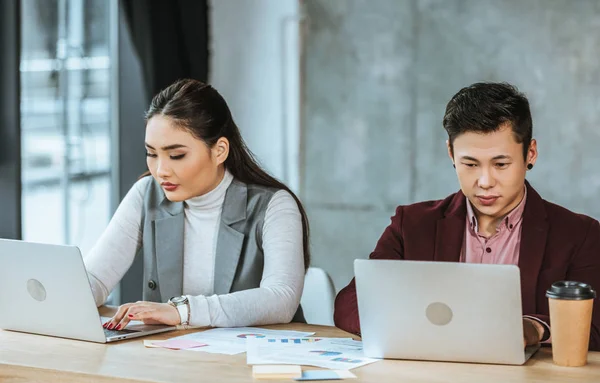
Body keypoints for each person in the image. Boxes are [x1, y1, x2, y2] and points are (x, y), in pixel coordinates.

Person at [334, 82, 600, 350]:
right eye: (470, 164)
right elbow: (350, 303)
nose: (485, 181)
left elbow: (595, 326)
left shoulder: (579, 234)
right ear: (451, 153)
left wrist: (533, 327)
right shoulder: (412, 225)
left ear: (530, 153)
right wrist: (410, 322)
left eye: (500, 164)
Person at [89, 79, 310, 330]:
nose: (161, 171)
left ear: (219, 150)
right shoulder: (146, 194)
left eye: (177, 156)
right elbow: (95, 277)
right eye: (152, 154)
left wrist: (182, 311)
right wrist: (62, 296)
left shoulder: (274, 206)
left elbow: (281, 298)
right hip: (172, 357)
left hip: (256, 360)